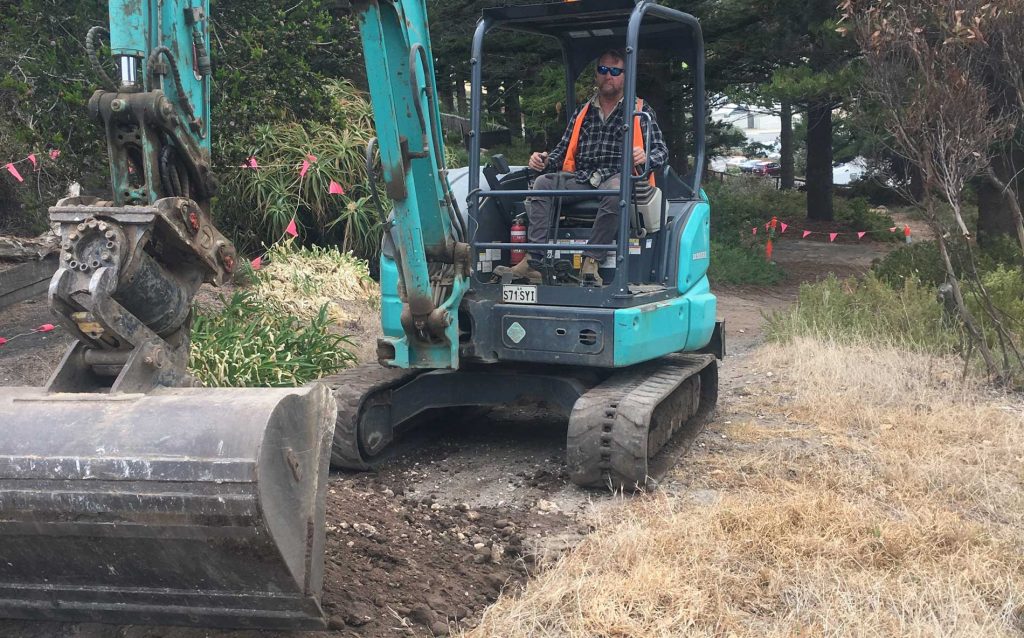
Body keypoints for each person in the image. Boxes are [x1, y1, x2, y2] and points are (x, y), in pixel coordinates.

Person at [507, 49, 668, 286]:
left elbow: (661, 151)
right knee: (542, 183)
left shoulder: (640, 111)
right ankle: (534, 260)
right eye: (603, 69)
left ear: (625, 76)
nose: (608, 75)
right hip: (582, 178)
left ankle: (592, 260)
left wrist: (645, 157)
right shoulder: (583, 112)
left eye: (615, 71)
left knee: (617, 190)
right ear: (596, 74)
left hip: (616, 176)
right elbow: (561, 151)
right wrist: (543, 160)